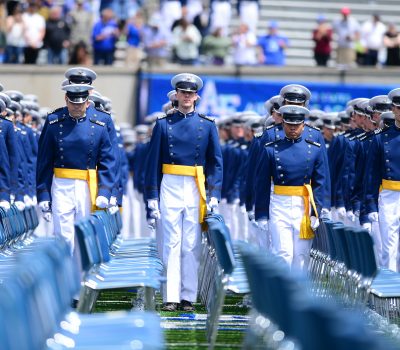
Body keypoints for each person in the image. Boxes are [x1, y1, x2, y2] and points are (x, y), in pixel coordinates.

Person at [145, 73, 223, 312]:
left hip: (195, 185)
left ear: (196, 96)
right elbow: (153, 163)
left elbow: (215, 162)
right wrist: (152, 197)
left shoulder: (207, 125)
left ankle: (188, 295)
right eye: (183, 93)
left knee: (191, 243)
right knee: (171, 242)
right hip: (170, 183)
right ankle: (171, 295)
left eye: (191, 93)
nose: (187, 97)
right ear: (176, 95)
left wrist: (213, 194)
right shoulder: (162, 124)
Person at [36, 83, 116, 255]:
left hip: (87, 185)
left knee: (85, 236)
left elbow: (108, 161)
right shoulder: (54, 121)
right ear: (66, 99)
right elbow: (44, 160)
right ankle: (65, 279)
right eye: (73, 103)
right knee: (63, 236)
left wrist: (105, 191)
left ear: (88, 102)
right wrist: (43, 193)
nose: (77, 107)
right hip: (61, 184)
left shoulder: (99, 124)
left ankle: (82, 278)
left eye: (81, 103)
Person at [255, 105, 326, 271]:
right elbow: (262, 184)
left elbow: (321, 182)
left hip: (304, 206)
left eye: (297, 124)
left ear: (303, 125)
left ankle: (298, 295)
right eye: (289, 124)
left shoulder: (314, 149)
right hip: (279, 204)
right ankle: (281, 295)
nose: (293, 128)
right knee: (282, 253)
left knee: (301, 255)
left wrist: (316, 212)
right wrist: (262, 214)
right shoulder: (270, 149)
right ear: (283, 124)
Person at [365, 88, 400, 272]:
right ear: (393, 109)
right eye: (399, 108)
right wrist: (370, 205)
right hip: (389, 196)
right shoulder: (381, 138)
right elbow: (371, 175)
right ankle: (392, 297)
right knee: (389, 248)